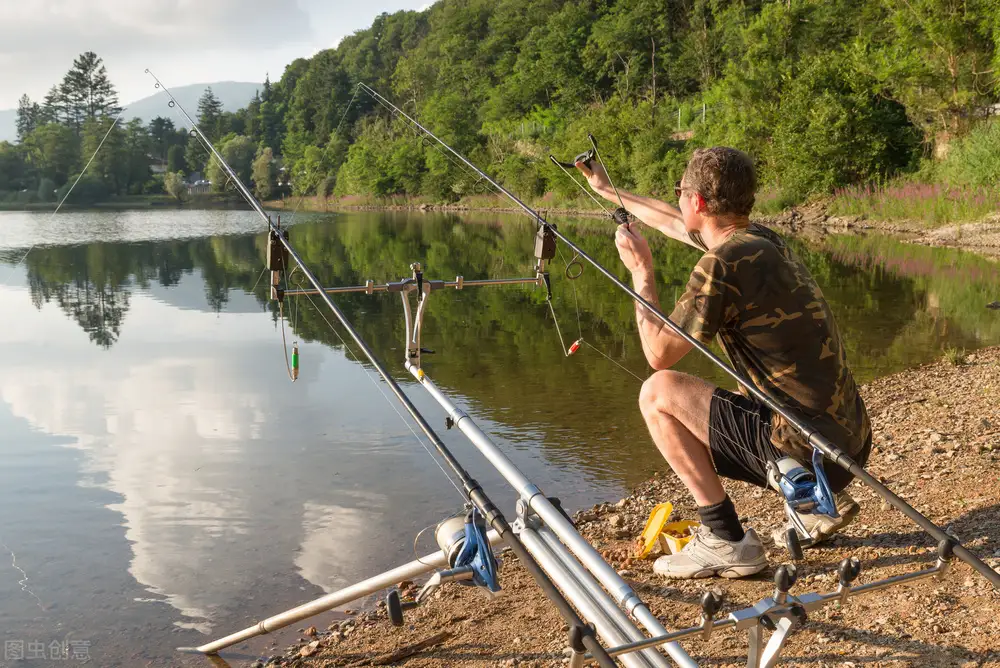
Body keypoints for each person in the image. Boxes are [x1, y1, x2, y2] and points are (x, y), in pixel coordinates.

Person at [576, 147, 871, 579]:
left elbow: (658, 355)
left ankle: (726, 540)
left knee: (658, 394)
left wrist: (641, 273)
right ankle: (812, 504)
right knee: (737, 391)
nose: (676, 200)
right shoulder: (763, 241)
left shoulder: (720, 265)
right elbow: (668, 221)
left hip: (812, 448)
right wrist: (606, 189)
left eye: (680, 192)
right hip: (852, 442)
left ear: (697, 201)